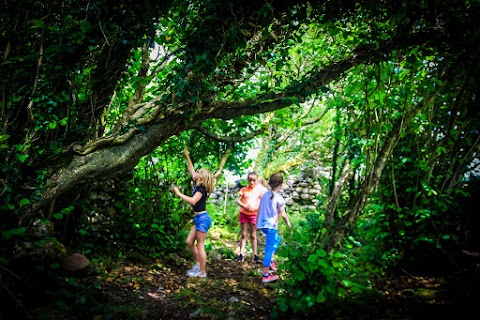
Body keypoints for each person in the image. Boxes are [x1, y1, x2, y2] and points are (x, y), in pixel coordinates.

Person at [173, 146, 216, 278]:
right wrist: (187, 155)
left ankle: (202, 272)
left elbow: (193, 201)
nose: (195, 173)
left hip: (202, 218)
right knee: (189, 242)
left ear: (201, 178)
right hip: (198, 219)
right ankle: (198, 265)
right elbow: (191, 170)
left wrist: (178, 193)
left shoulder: (201, 190)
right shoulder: (197, 184)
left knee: (200, 244)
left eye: (198, 172)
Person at [256, 172, 292, 283]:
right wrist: (289, 225)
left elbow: (259, 210)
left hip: (263, 225)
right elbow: (283, 214)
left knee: (277, 239)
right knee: (268, 249)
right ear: (281, 184)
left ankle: (270, 258)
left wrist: (257, 224)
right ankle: (266, 275)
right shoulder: (279, 198)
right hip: (271, 226)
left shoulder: (265, 195)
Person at [236, 172, 265, 263]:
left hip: (254, 215)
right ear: (247, 180)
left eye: (254, 180)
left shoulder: (258, 191)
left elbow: (262, 202)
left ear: (256, 180)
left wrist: (256, 208)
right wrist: (245, 206)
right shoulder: (244, 190)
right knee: (244, 234)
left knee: (253, 234)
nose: (252, 182)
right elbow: (238, 200)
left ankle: (255, 254)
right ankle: (241, 254)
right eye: (250, 180)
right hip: (244, 214)